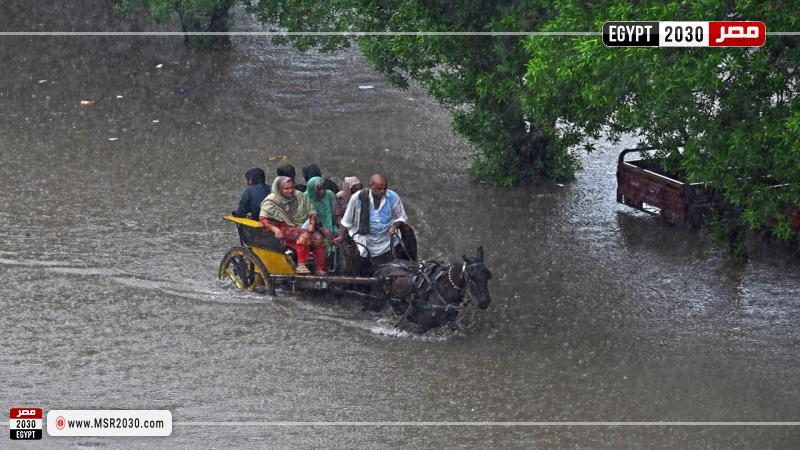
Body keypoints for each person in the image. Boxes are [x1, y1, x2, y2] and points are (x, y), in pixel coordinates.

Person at [339, 174, 417, 273]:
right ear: (370, 186)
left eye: (385, 188)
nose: (382, 191)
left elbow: (401, 217)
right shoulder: (357, 198)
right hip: (366, 240)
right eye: (379, 189)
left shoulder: (393, 197)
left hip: (387, 241)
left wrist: (394, 226)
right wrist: (341, 236)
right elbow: (347, 221)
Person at [259, 176, 326, 274]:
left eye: (292, 187)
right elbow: (263, 219)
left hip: (301, 226)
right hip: (283, 228)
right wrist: (275, 230)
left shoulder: (300, 196)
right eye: (286, 188)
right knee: (304, 235)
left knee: (319, 238)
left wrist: (312, 224)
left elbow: (312, 212)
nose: (290, 191)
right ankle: (301, 266)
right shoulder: (270, 201)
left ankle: (320, 268)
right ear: (279, 189)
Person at [305, 176, 338, 259]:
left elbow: (337, 213)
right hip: (312, 227)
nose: (322, 192)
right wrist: (323, 229)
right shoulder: (305, 198)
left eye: (323, 188)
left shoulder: (329, 194)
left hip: (330, 225)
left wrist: (340, 228)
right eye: (319, 190)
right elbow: (308, 218)